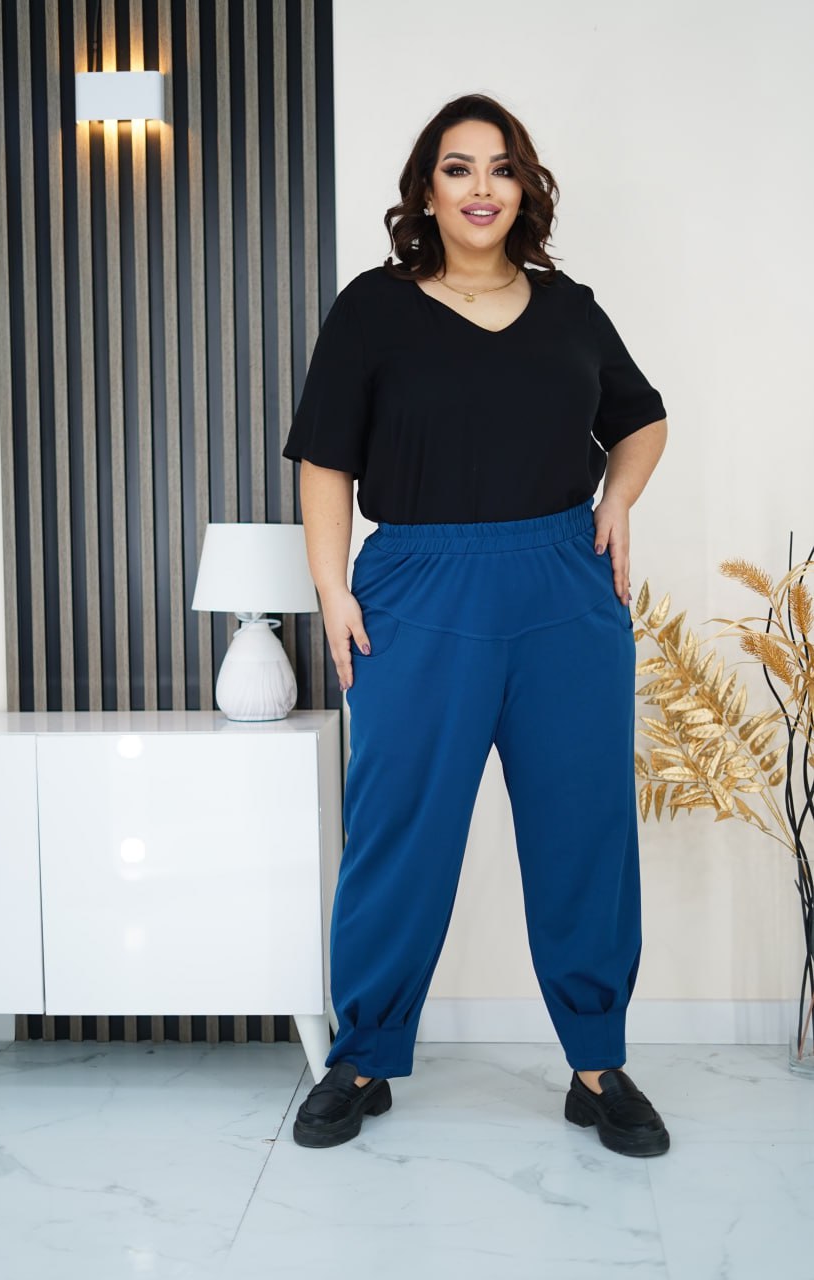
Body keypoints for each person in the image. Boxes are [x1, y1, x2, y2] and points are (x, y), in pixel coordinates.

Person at [281, 93, 671, 1159]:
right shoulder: (372, 309)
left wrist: (616, 499)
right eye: (458, 168)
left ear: (523, 186)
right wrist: (331, 590)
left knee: (584, 829)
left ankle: (597, 1065)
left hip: (563, 589)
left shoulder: (568, 307)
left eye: (500, 167)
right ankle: (363, 1056)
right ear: (426, 190)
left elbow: (641, 420)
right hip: (417, 587)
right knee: (398, 832)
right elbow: (326, 460)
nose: (481, 187)